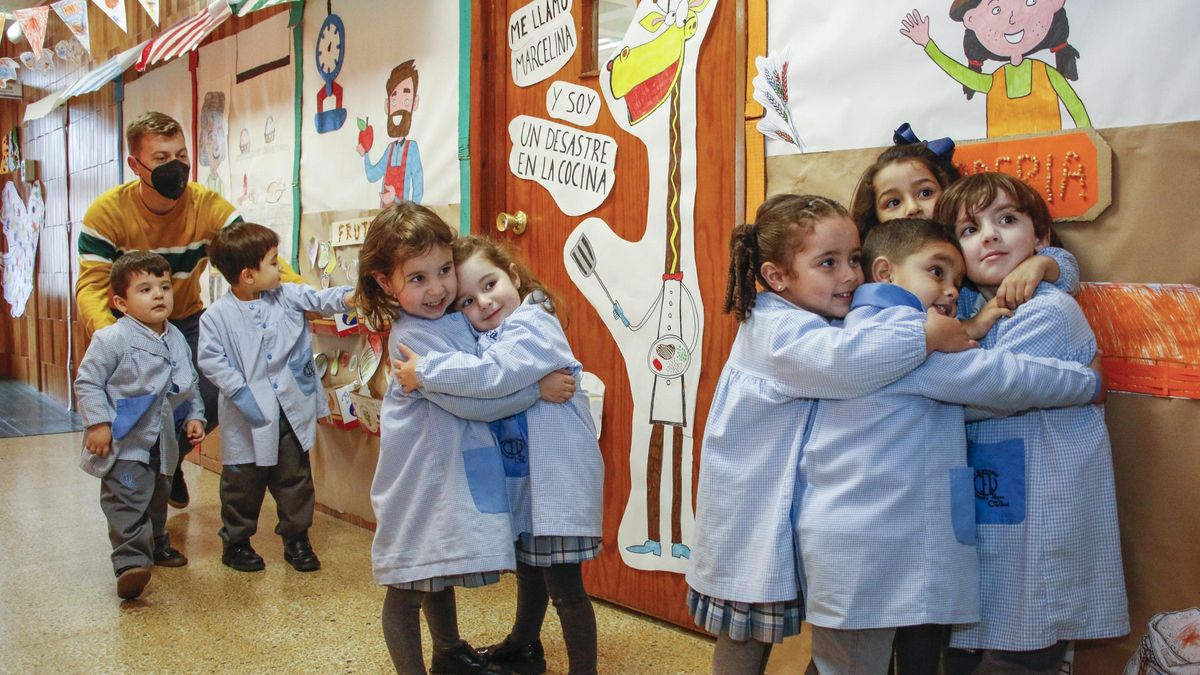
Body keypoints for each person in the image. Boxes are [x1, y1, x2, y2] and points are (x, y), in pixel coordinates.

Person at [684, 194, 977, 674]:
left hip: (789, 506)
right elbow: (846, 363)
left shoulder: (814, 318)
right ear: (777, 277)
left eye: (854, 259)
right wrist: (925, 335)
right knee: (746, 633)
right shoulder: (777, 330)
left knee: (785, 630)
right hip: (754, 511)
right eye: (828, 263)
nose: (849, 276)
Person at [798, 218, 1105, 674]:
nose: (949, 292)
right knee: (850, 664)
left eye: (957, 280)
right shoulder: (895, 337)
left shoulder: (871, 324)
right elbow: (997, 381)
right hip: (866, 539)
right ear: (884, 273)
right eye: (937, 273)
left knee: (850, 659)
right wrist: (1087, 381)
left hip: (863, 531)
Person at [849, 129, 1084, 674]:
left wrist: (1048, 263)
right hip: (885, 493)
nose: (913, 207)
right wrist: (1081, 382)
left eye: (925, 191)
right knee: (876, 635)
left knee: (942, 632)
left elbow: (1038, 270)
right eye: (893, 201)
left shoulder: (982, 283)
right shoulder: (871, 297)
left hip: (954, 495)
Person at [355, 202, 575, 674]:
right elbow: (473, 400)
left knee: (435, 567)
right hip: (419, 475)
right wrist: (535, 389)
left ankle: (450, 652)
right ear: (383, 282)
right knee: (410, 579)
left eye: (442, 272)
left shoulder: (455, 318)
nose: (437, 288)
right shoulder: (412, 339)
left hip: (448, 468)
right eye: (417, 279)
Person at [936, 173, 1128, 674]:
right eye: (970, 230)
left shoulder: (1050, 310)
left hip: (1041, 508)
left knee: (1025, 636)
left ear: (1040, 237)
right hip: (997, 499)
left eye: (1006, 220)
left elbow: (988, 388)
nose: (990, 236)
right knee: (980, 635)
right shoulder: (971, 311)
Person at [392, 235, 604, 675]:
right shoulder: (489, 333)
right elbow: (487, 387)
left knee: (565, 588)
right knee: (530, 569)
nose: (483, 303)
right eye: (467, 300)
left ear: (513, 274)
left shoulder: (533, 321)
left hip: (556, 482)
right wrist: (534, 389)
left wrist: (425, 371)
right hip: (525, 480)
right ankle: (524, 645)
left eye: (490, 285)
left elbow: (492, 377)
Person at [75, 111, 303, 511]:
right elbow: (92, 287)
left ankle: (168, 460)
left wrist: (307, 296)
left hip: (186, 322)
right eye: (161, 159)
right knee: (146, 408)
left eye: (181, 155)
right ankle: (144, 482)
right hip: (128, 326)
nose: (176, 167)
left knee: (218, 393)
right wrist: (113, 337)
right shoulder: (106, 214)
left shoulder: (206, 206)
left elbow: (254, 257)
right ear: (136, 165)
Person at [196, 222, 352, 573]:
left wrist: (349, 297)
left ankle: (296, 540)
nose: (280, 267)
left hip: (290, 409)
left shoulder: (287, 295)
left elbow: (319, 299)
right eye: (272, 261)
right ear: (248, 275)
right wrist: (239, 390)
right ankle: (236, 543)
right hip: (247, 416)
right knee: (242, 483)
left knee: (294, 478)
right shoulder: (216, 318)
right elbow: (210, 360)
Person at [73, 251, 206, 600]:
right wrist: (98, 424)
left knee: (156, 498)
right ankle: (130, 561)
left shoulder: (175, 337)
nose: (159, 294)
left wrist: (195, 415)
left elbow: (188, 381)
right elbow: (88, 383)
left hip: (163, 445)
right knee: (127, 499)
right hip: (125, 443)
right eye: (145, 289)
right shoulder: (111, 339)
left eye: (164, 286)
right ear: (121, 302)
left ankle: (157, 543)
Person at [899, 1, 1089, 138]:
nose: (1012, 18)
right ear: (972, 19)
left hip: (1051, 162)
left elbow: (1076, 107)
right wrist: (928, 44)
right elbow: (961, 74)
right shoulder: (995, 81)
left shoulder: (1047, 75)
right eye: (996, 9)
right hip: (1003, 174)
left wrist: (1088, 141)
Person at [358, 60, 424, 206]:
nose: (399, 108)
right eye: (394, 102)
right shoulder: (390, 150)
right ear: (387, 106)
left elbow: (418, 189)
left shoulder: (412, 148)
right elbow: (372, 175)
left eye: (406, 101)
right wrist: (366, 152)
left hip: (405, 220)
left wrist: (397, 200)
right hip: (386, 218)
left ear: (415, 103)